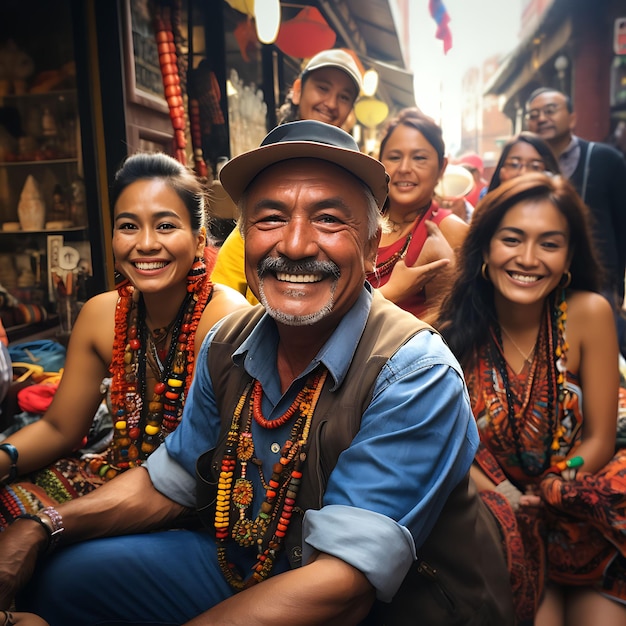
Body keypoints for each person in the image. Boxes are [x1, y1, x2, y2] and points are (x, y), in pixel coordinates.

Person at [0, 121, 514, 625]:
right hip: (250, 567)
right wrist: (44, 526)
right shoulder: (228, 343)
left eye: (330, 219)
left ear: (371, 241)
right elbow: (172, 479)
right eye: (270, 218)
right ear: (242, 239)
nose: (294, 245)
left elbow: (343, 586)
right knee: (62, 577)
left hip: (395, 607)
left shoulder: (413, 370)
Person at [0, 152, 249, 528]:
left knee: (44, 542)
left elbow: (206, 460)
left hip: (189, 500)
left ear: (199, 242)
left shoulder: (224, 316)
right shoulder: (101, 314)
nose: (145, 244)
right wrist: (5, 457)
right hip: (116, 472)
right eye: (129, 226)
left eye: (165, 226)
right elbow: (60, 429)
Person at [437, 173, 626, 625]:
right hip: (502, 528)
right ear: (484, 248)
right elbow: (454, 448)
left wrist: (560, 479)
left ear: (568, 257)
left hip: (583, 518)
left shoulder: (589, 314)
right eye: (512, 239)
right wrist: (506, 497)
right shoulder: (453, 334)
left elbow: (600, 438)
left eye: (549, 243)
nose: (527, 258)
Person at [211, 48, 363, 306]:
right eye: (323, 88)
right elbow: (222, 295)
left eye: (344, 97)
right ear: (297, 90)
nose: (331, 103)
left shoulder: (357, 178)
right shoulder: (248, 236)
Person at [525, 87, 626, 343]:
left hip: (598, 282)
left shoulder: (605, 160)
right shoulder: (525, 166)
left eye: (550, 111)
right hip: (539, 279)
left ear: (572, 118)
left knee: (599, 352)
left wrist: (620, 287)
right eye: (534, 114)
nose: (541, 118)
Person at [366, 108, 468, 319]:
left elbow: (453, 325)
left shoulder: (450, 231)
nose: (404, 168)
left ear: (441, 167)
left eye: (419, 158)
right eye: (394, 157)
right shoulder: (361, 220)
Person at [487, 131, 561, 192]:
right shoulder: (488, 207)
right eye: (514, 165)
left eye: (535, 167)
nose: (523, 173)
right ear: (501, 171)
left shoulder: (557, 208)